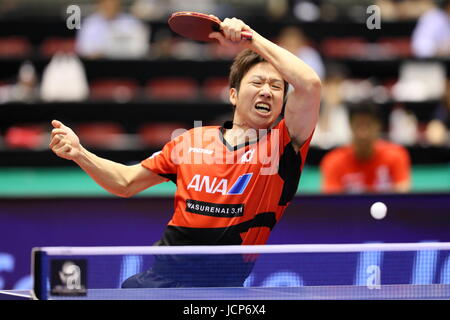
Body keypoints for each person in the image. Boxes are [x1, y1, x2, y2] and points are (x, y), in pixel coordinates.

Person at [50, 17, 321, 287]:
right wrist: (79, 153)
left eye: (276, 87)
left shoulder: (284, 146)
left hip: (221, 291)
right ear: (233, 95)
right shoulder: (190, 141)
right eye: (257, 83)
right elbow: (126, 183)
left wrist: (250, 38)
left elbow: (310, 83)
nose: (266, 92)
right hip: (159, 282)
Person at [320, 103, 411, 194]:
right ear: (350, 126)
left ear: (378, 126)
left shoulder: (396, 155)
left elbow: (403, 196)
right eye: (358, 125)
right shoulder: (333, 161)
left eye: (368, 125)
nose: (363, 133)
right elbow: (331, 202)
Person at [75, 0, 150, 59]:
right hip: (99, 68)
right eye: (107, 3)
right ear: (100, 4)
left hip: (130, 66)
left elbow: (141, 49)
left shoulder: (132, 22)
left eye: (114, 2)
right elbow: (83, 51)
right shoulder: (89, 24)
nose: (111, 5)